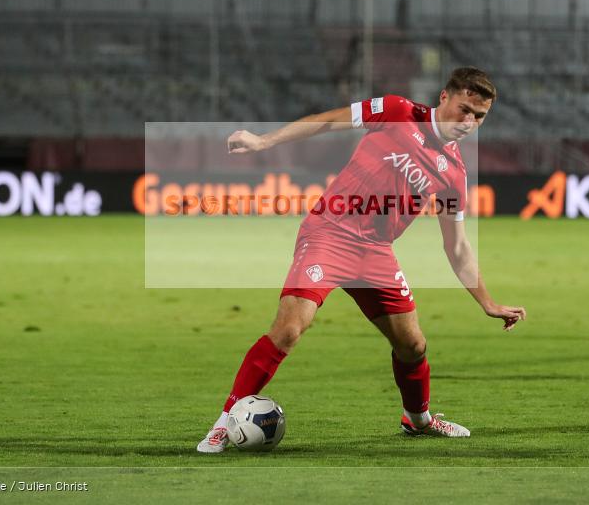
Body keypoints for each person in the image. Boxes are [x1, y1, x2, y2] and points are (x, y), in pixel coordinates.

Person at [197, 67, 527, 453]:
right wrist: (263, 140)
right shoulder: (396, 111)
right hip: (329, 233)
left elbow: (457, 247)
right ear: (444, 97)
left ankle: (418, 420)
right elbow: (329, 121)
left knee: (414, 346)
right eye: (464, 109)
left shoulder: (454, 174)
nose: (469, 122)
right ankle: (223, 423)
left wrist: (487, 302)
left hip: (376, 253)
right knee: (288, 329)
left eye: (479, 116)